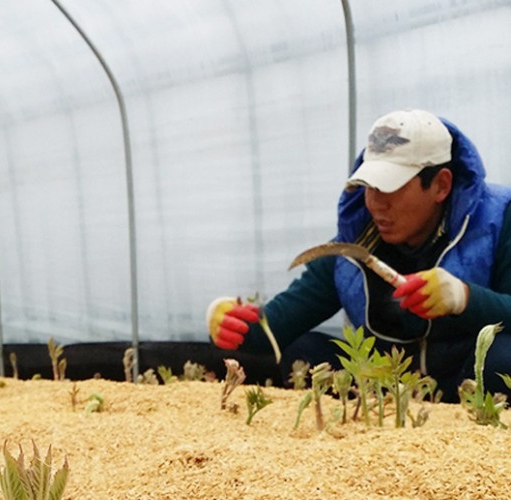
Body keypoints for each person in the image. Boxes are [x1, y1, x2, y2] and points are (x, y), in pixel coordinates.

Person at [207, 109, 511, 402]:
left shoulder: (498, 222)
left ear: (441, 185)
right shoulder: (353, 250)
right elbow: (274, 329)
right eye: (369, 186)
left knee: (502, 357)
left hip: (465, 389)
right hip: (386, 396)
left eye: (391, 187)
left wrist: (466, 298)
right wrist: (226, 320)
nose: (376, 204)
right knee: (306, 352)